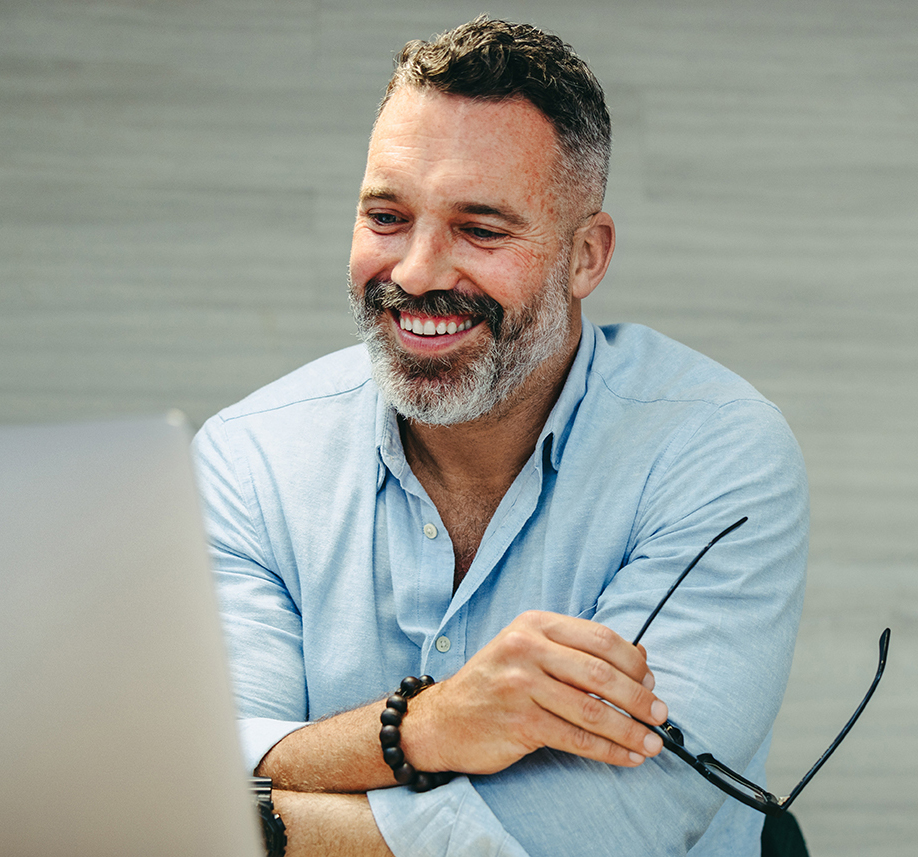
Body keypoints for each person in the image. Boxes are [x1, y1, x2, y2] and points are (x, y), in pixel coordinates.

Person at [193, 17, 807, 857]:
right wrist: (421, 728)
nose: (414, 272)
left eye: (479, 229)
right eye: (385, 215)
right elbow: (199, 760)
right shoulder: (248, 459)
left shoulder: (716, 455)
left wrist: (261, 825)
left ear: (584, 257)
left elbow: (600, 832)